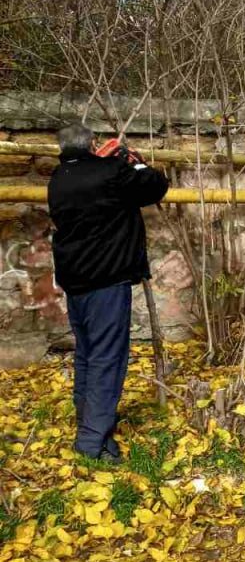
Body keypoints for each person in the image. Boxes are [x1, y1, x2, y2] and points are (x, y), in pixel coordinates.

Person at [48, 124, 169, 462]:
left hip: (76, 284)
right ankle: (91, 442)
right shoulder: (110, 172)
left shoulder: (58, 178)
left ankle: (89, 423)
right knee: (107, 358)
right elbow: (157, 186)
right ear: (92, 144)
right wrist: (134, 161)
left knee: (87, 353)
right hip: (106, 282)